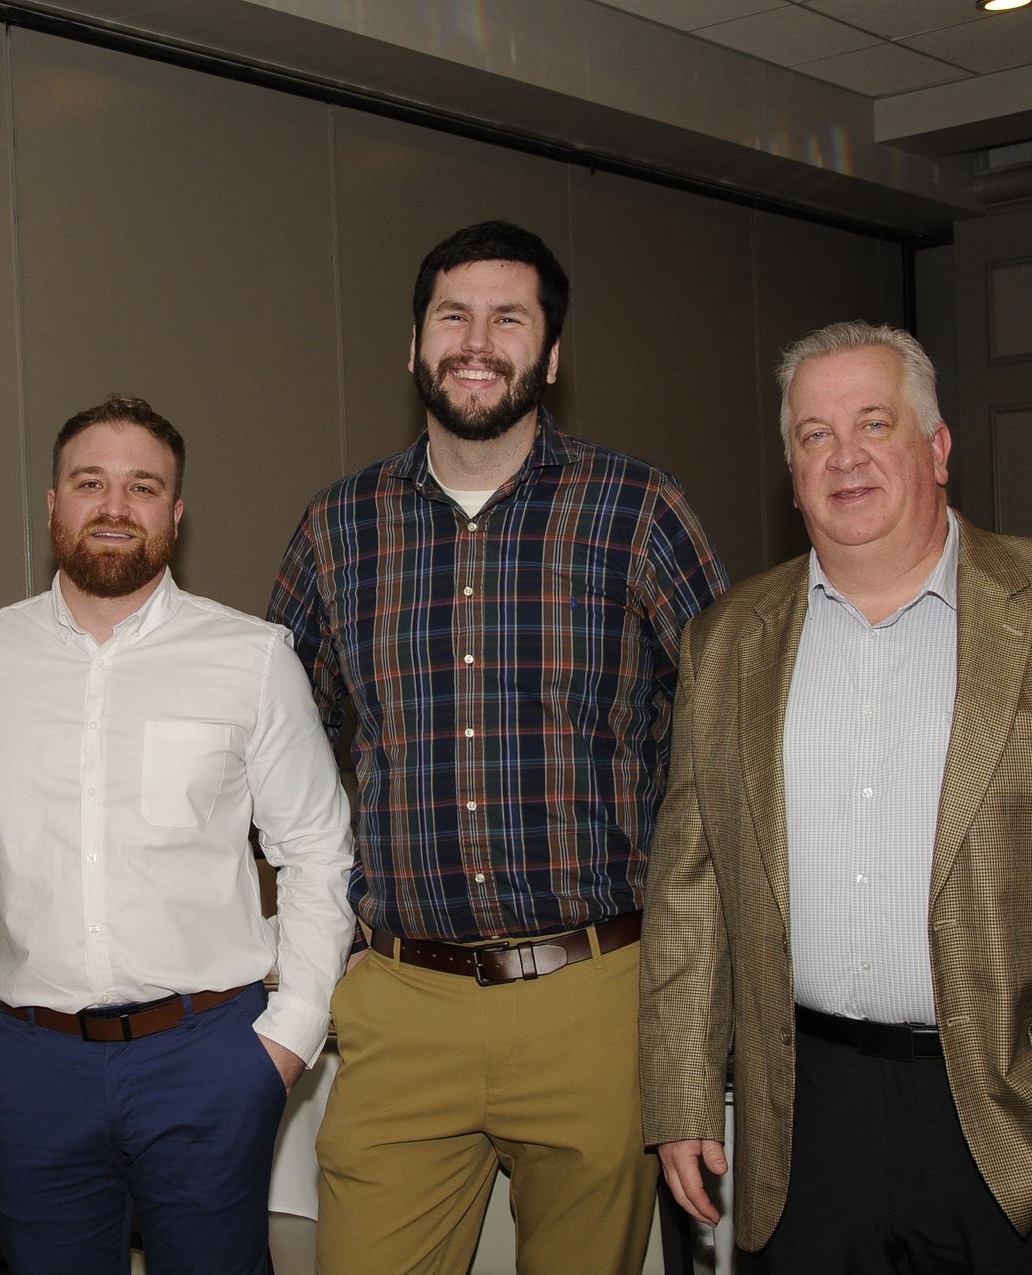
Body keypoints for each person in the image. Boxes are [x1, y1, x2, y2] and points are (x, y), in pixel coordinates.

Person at [641, 320, 1032, 1272]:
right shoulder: (726, 641)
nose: (845, 457)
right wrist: (679, 1095)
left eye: (875, 422)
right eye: (814, 435)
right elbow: (688, 884)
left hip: (1021, 1113)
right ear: (791, 468)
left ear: (938, 446)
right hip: (802, 1121)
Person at [269, 221, 729, 1273]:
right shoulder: (339, 526)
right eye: (453, 316)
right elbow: (278, 749)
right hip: (400, 1002)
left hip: (595, 1000)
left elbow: (725, 736)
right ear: (415, 344)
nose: (477, 342)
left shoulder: (637, 508)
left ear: (551, 356)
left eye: (508, 319)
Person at [0, 395, 354, 1275]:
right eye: (91, 482)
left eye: (143, 486)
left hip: (210, 1058)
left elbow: (316, 848)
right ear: (53, 504)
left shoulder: (253, 658)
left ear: (176, 514)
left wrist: (288, 1037)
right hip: (31, 1065)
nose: (115, 506)